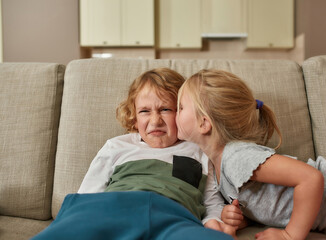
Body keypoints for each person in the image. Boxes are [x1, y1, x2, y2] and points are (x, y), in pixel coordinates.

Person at [32, 68, 233, 240]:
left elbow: (210, 203)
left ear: (181, 112)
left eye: (165, 109)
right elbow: (88, 195)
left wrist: (214, 221)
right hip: (114, 209)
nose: (155, 121)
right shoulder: (118, 146)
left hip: (174, 217)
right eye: (145, 111)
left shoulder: (198, 150)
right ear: (134, 118)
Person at [176, 69, 326, 240]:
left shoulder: (236, 157)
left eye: (181, 107)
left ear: (204, 123)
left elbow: (311, 178)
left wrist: (289, 235)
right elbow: (266, 204)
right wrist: (240, 218)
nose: (175, 113)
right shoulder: (216, 169)